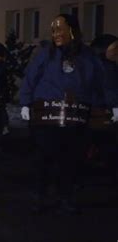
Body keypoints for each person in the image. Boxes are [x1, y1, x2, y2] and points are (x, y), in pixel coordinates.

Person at [19, 14, 111, 214]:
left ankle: (66, 196)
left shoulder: (87, 57)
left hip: (76, 118)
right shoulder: (46, 54)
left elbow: (100, 83)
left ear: (72, 30)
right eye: (53, 30)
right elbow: (31, 78)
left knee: (71, 159)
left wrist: (110, 105)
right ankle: (39, 195)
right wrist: (25, 103)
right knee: (44, 157)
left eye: (60, 29)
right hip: (46, 117)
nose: (56, 34)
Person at [89, 34, 118, 186]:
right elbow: (110, 89)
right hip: (103, 110)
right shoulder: (107, 67)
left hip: (92, 109)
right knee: (108, 142)